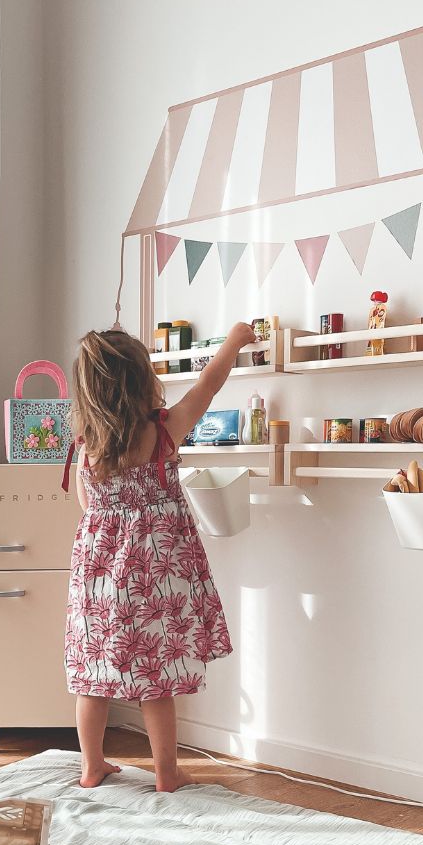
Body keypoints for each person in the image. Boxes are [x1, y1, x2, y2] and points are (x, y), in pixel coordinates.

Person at [61, 322, 256, 790]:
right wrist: (234, 339)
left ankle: (91, 766)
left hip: (99, 570)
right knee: (157, 675)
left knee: (94, 671)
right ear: (142, 380)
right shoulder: (163, 431)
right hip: (156, 570)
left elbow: (87, 505)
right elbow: (208, 386)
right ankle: (166, 772)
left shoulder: (86, 445)